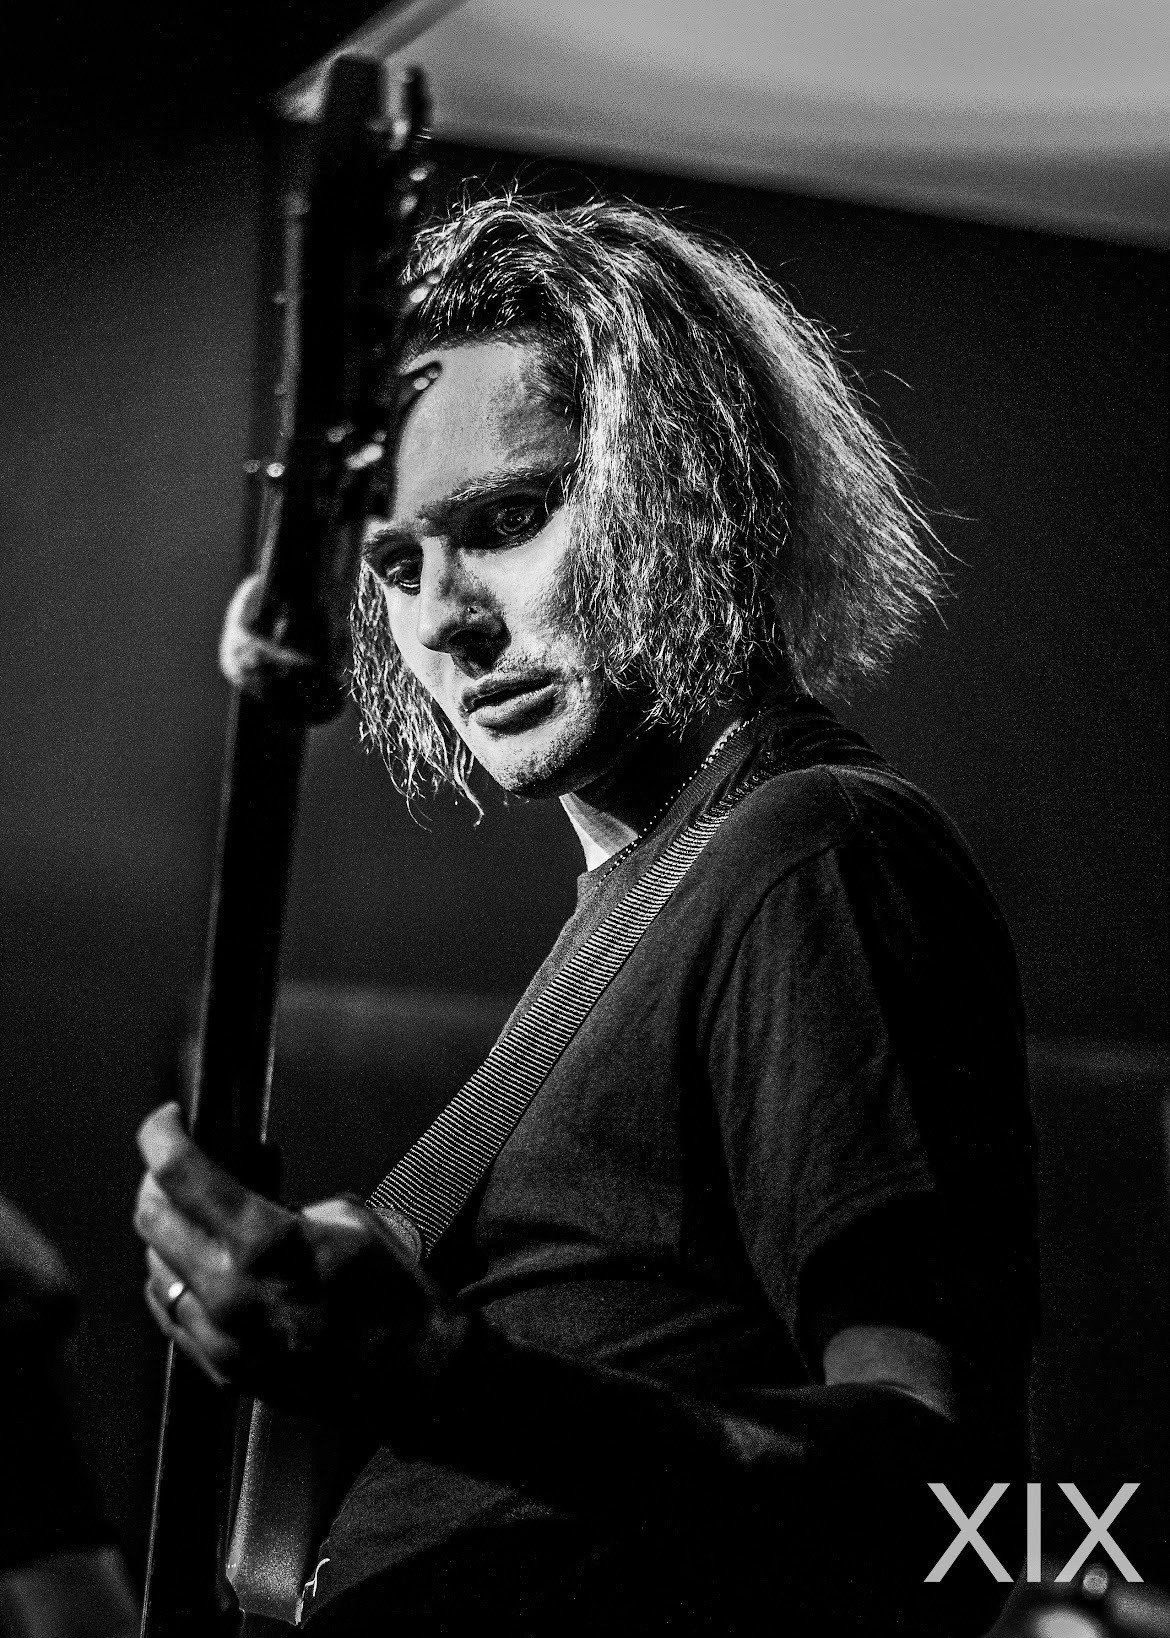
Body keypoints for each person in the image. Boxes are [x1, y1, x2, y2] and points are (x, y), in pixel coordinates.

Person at [134, 198, 1038, 1635]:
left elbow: (957, 1516)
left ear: (694, 488)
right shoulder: (635, 911)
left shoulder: (814, 850)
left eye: (507, 519)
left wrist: (438, 1374)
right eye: (395, 564)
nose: (444, 619)